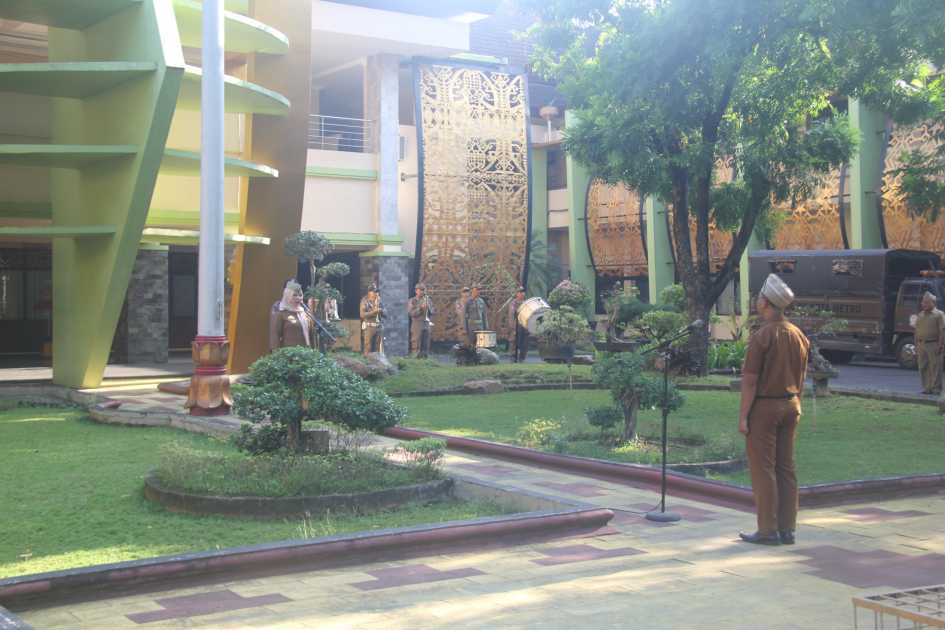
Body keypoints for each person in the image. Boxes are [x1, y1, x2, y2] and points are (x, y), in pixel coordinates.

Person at [738, 273, 810, 546]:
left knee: (763, 468)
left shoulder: (763, 335)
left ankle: (768, 530)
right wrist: (798, 403)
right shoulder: (798, 335)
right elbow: (802, 376)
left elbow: (750, 380)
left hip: (766, 406)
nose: (757, 301)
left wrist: (744, 416)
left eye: (759, 297)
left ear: (766, 302)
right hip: (792, 404)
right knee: (786, 467)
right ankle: (787, 529)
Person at [913, 291, 945, 395]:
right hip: (921, 344)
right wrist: (916, 345)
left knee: (935, 367)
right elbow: (916, 331)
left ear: (933, 303)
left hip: (934, 344)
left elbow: (942, 331)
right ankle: (927, 388)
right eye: (923, 302)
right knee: (923, 367)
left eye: (926, 302)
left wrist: (941, 345)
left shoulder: (939, 314)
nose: (923, 304)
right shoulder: (920, 315)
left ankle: (936, 389)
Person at [269, 281, 315, 351]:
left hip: (306, 353)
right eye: (294, 295)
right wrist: (276, 354)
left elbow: (311, 336)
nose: (298, 298)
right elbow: (275, 337)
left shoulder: (305, 312)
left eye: (300, 295)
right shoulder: (280, 313)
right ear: (287, 296)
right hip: (289, 354)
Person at [407, 283, 434, 358]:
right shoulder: (412, 301)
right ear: (416, 291)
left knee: (425, 343)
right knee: (416, 342)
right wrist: (420, 308)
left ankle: (425, 359)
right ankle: (415, 359)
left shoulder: (428, 300)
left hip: (426, 323)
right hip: (417, 324)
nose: (422, 291)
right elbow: (411, 313)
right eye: (421, 290)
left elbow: (433, 311)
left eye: (423, 290)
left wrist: (428, 308)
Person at [359, 284, 384, 356]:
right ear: (369, 292)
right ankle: (367, 360)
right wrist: (373, 312)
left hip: (378, 326)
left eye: (376, 292)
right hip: (369, 327)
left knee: (378, 348)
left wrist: (381, 311)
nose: (375, 293)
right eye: (374, 292)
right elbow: (362, 315)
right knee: (368, 347)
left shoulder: (379, 300)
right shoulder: (365, 301)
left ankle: (378, 361)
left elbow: (386, 314)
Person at [508, 286, 528, 362]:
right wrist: (512, 327)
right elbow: (511, 315)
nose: (522, 294)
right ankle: (513, 357)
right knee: (513, 341)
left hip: (524, 325)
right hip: (516, 325)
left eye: (523, 292)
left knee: (524, 342)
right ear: (517, 294)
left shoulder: (526, 303)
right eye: (520, 292)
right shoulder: (513, 303)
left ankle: (522, 358)